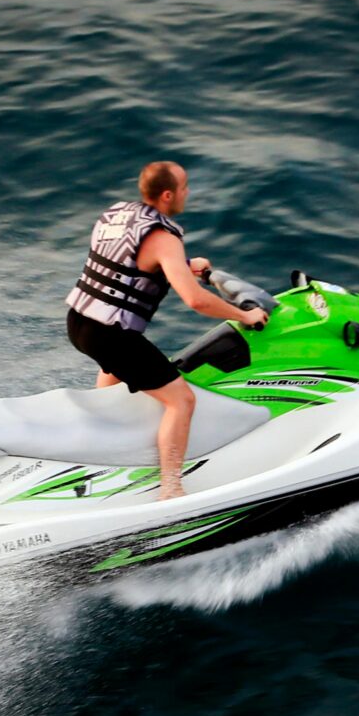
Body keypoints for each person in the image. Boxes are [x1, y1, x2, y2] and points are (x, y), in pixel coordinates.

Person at [65, 160, 268, 499]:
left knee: (113, 376)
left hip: (80, 322)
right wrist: (245, 316)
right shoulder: (163, 237)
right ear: (168, 194)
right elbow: (195, 301)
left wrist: (186, 267)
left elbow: (128, 267)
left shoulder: (116, 214)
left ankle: (97, 453)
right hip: (110, 334)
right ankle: (171, 488)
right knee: (181, 400)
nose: (188, 193)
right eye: (185, 187)